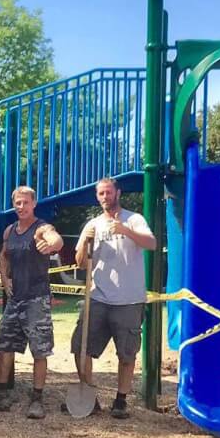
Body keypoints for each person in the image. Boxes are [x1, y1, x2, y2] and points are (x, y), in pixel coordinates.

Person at [71, 176, 156, 418]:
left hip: (129, 300)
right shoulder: (93, 224)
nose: (105, 197)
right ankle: (89, 396)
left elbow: (151, 243)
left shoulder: (134, 219)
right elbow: (79, 263)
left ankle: (121, 400)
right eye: (101, 194)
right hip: (97, 297)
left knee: (126, 354)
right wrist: (85, 242)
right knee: (80, 347)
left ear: (118, 193)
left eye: (108, 192)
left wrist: (125, 231)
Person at [0, 186, 63, 419]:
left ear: (34, 204)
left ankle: (37, 398)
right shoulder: (10, 230)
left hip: (36, 299)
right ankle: (2, 393)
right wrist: (4, 278)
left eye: (25, 203)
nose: (21, 207)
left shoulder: (40, 228)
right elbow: (4, 256)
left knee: (39, 350)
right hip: (15, 298)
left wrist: (52, 244)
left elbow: (56, 239)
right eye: (17, 203)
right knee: (4, 346)